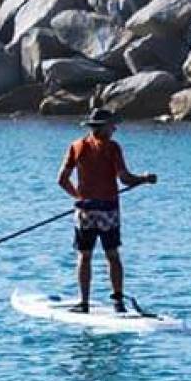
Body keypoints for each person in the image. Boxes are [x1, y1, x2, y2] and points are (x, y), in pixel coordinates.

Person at [57, 108, 157, 313]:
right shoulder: (112, 148)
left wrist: (78, 198)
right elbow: (124, 178)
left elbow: (62, 180)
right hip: (108, 211)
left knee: (84, 256)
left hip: (85, 211)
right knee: (112, 255)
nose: (115, 128)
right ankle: (118, 302)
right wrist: (145, 178)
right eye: (112, 125)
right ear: (102, 127)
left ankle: (83, 303)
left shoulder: (76, 147)